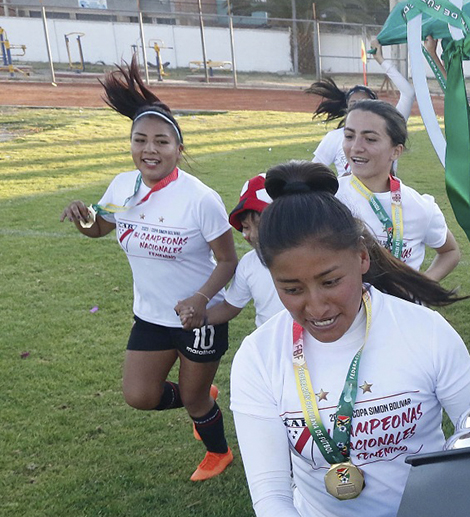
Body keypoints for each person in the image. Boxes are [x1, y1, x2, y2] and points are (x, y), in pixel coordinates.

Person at [230, 161, 470, 517]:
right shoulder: (259, 356)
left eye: (329, 280)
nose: (316, 307)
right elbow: (272, 497)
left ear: (362, 259)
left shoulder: (422, 331)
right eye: (291, 289)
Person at [60, 58, 238, 481]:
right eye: (140, 140)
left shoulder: (200, 198)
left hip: (200, 316)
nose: (149, 149)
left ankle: (218, 452)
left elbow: (229, 260)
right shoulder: (124, 185)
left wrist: (199, 299)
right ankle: (202, 395)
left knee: (196, 404)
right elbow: (101, 228)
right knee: (140, 396)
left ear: (178, 148)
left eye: (161, 141)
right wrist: (84, 219)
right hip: (152, 315)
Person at [335, 100, 461, 280]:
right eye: (349, 136)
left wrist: (419, 289)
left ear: (396, 151)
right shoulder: (329, 199)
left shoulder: (419, 206)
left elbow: (450, 251)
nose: (356, 147)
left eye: (370, 139)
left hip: (401, 307)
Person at [307, 44, 414, 178]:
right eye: (354, 105)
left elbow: (408, 93)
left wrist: (380, 60)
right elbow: (312, 174)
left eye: (371, 139)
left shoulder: (388, 127)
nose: (357, 147)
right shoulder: (334, 138)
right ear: (346, 108)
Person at [197, 174, 287, 328]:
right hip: (269, 345)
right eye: (245, 227)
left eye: (258, 225)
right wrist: (199, 317)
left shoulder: (307, 258)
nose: (250, 234)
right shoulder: (249, 263)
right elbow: (230, 306)